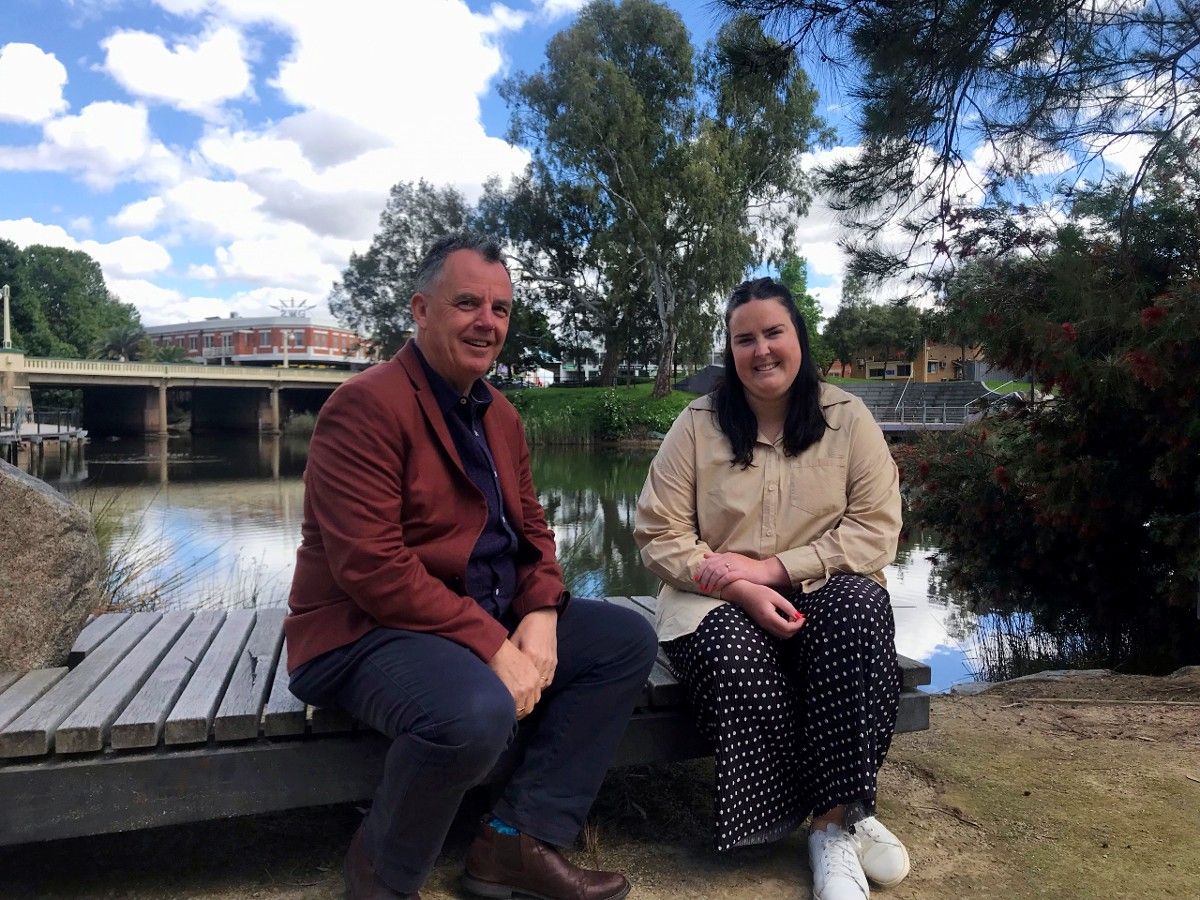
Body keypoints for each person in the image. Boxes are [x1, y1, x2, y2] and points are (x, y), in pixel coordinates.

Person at [284, 232, 658, 900]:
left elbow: (534, 531)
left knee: (624, 640)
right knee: (475, 712)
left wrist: (540, 613)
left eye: (501, 310)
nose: (487, 322)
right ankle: (380, 881)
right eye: (467, 304)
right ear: (421, 310)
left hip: (470, 617)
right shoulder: (364, 406)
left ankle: (515, 841)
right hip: (361, 631)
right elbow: (372, 567)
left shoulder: (501, 416)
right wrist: (493, 644)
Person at [634, 276, 909, 900]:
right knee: (737, 657)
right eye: (744, 338)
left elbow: (876, 532)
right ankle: (838, 811)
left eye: (773, 333)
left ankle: (832, 830)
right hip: (713, 597)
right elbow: (658, 533)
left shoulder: (847, 418)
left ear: (799, 340)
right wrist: (741, 588)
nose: (761, 350)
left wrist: (774, 570)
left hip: (819, 589)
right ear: (729, 351)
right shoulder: (698, 424)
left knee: (862, 607)